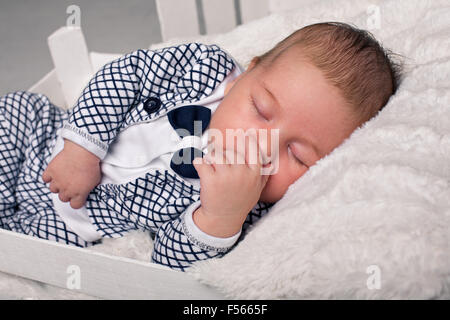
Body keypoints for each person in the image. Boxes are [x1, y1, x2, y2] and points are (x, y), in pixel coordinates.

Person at [0, 22, 401, 271]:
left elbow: (169, 261)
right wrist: (82, 147)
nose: (262, 146)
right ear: (248, 71)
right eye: (261, 110)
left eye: (296, 156)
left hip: (63, 225)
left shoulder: (246, 205)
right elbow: (125, 75)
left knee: (22, 257)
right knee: (10, 114)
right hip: (41, 140)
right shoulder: (205, 68)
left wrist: (219, 215)